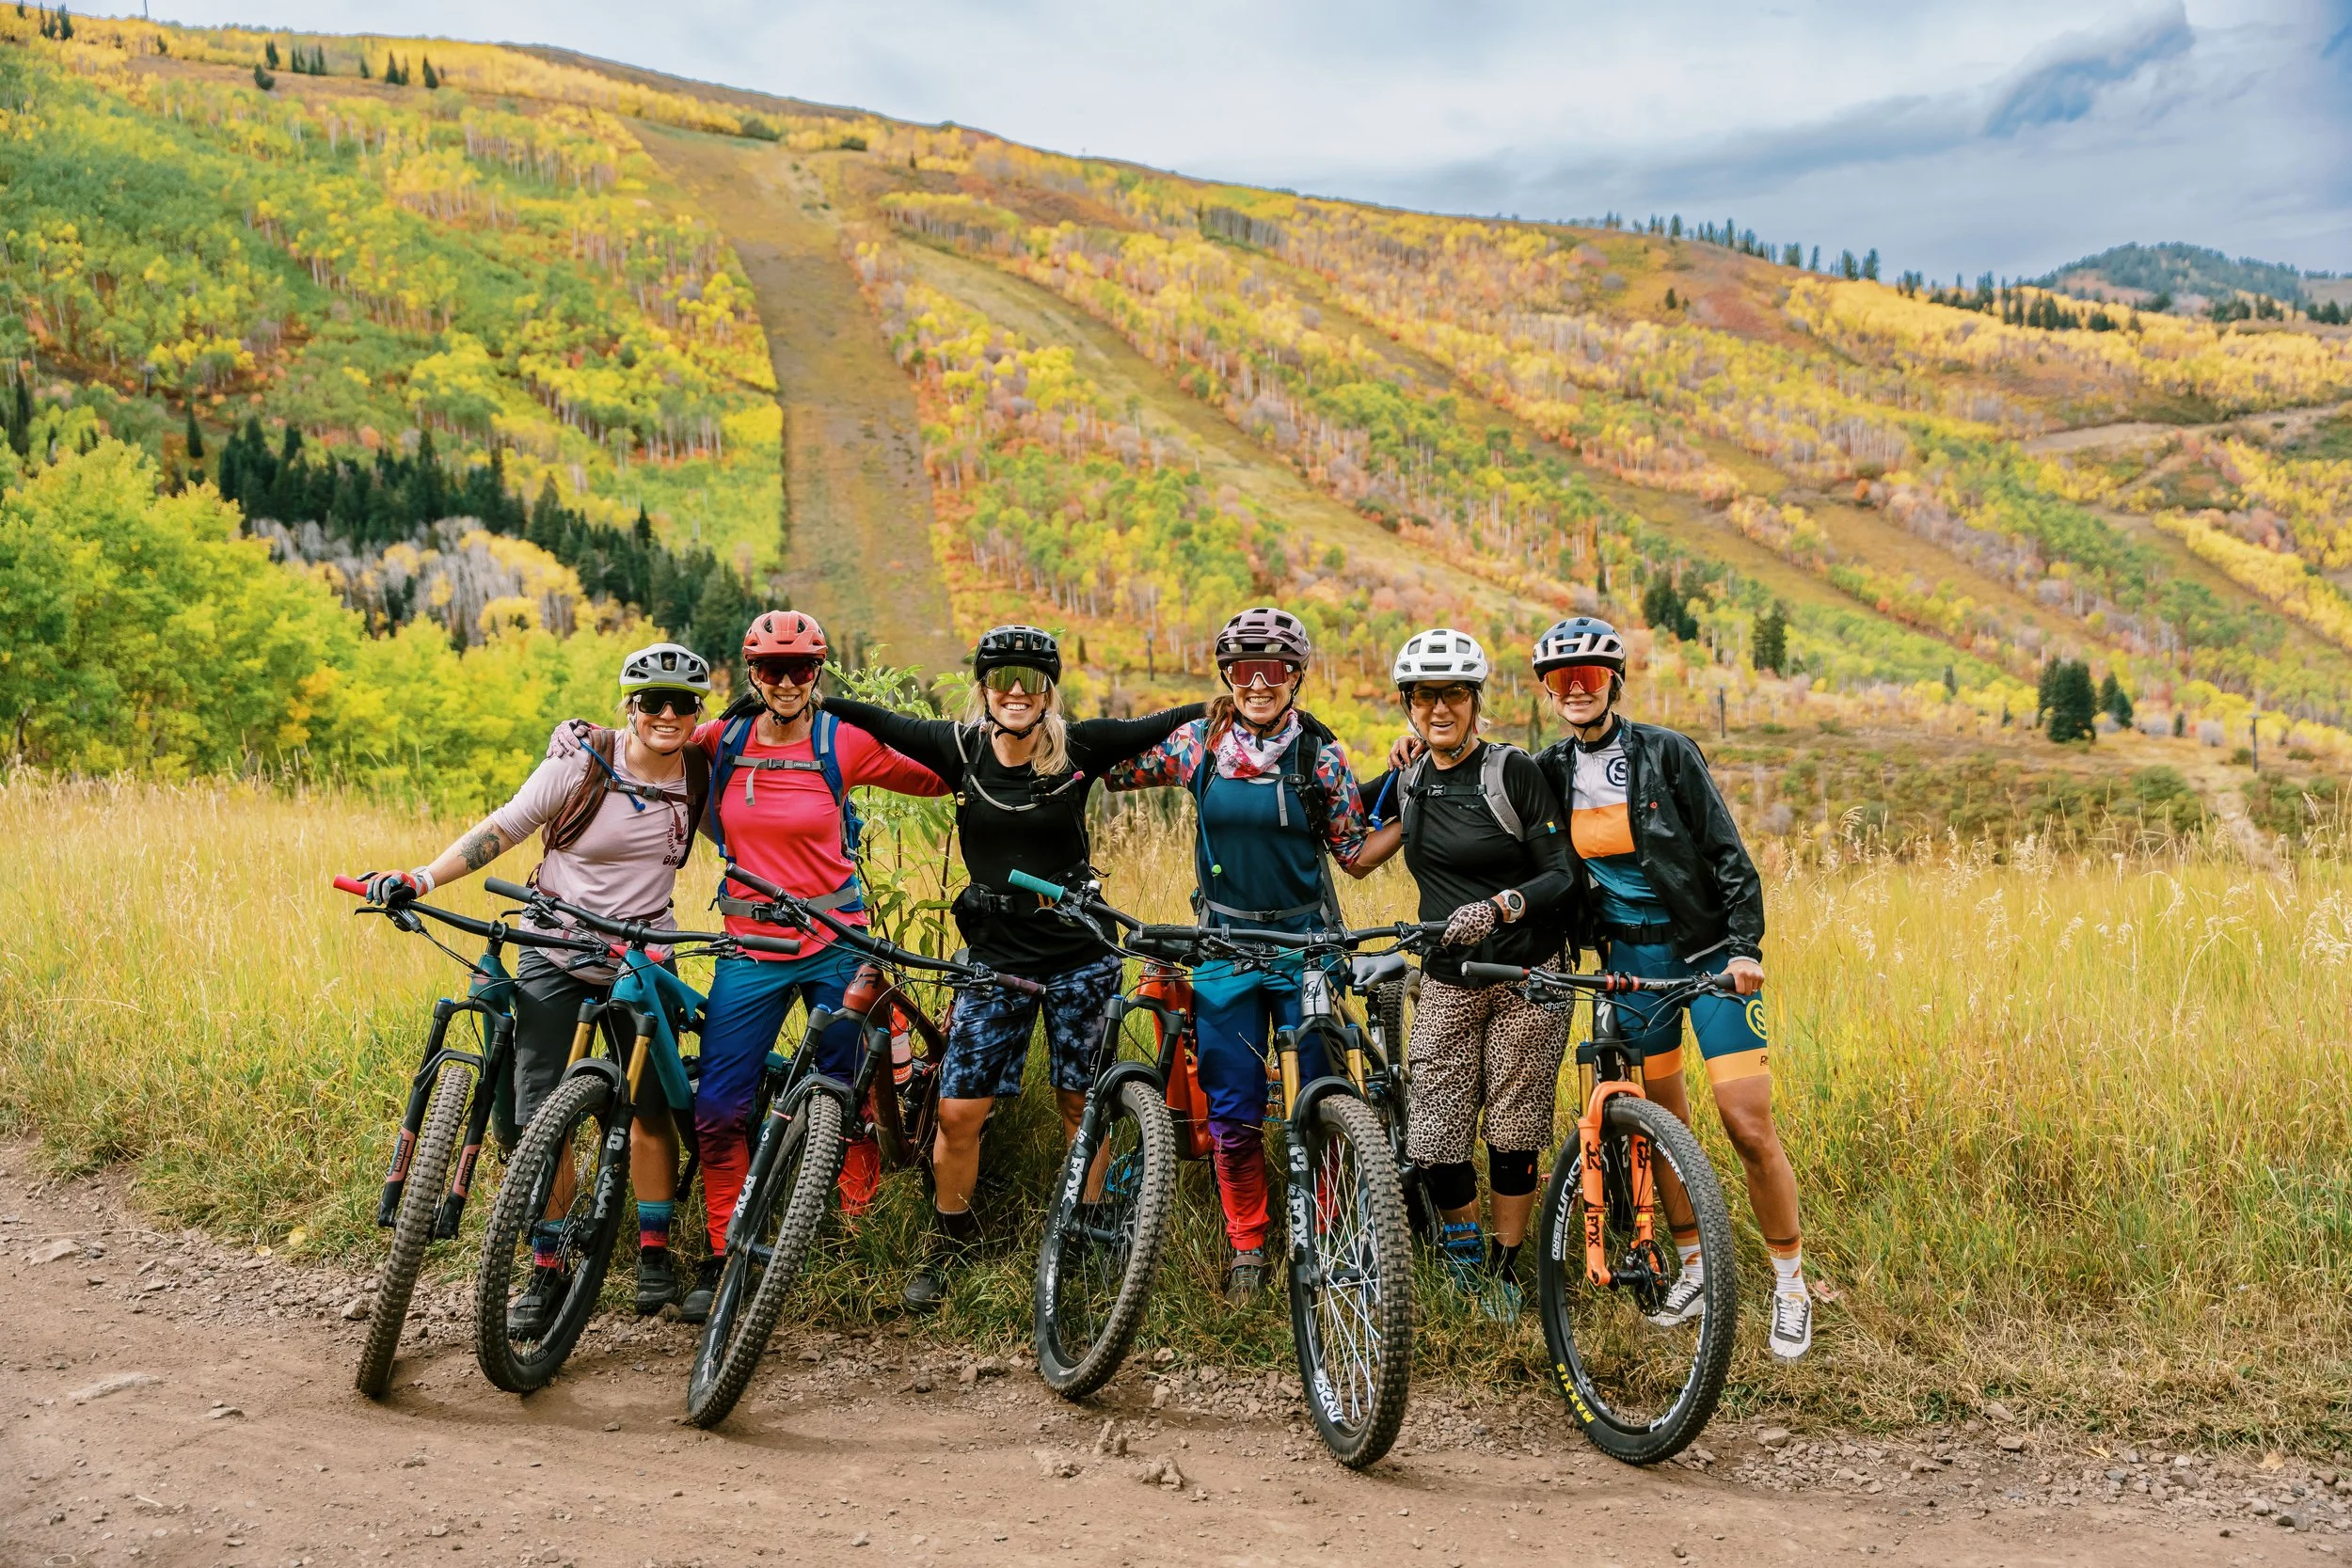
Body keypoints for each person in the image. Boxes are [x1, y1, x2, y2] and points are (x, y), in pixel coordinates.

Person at [550, 610, 947, 1323]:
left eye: (800, 668)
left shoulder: (842, 741)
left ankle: (852, 1233)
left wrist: (996, 758)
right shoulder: (721, 738)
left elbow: (934, 776)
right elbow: (647, 740)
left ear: (817, 672)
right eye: (771, 669)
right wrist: (580, 739)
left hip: (835, 939)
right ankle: (723, 1247)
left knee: (848, 1087)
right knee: (719, 1108)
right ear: (752, 675)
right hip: (751, 947)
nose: (787, 681)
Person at [819, 626, 1203, 1310]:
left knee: (1080, 1104)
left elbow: (1160, 723)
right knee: (960, 1110)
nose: (1017, 693)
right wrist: (788, 698)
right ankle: (953, 1239)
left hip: (1080, 958)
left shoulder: (1078, 749)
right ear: (984, 690)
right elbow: (879, 718)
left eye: (1031, 680)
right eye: (1003, 680)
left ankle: (1086, 1235)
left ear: (1049, 690)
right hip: (996, 962)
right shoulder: (959, 748)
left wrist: (1226, 702)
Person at [357, 641, 714, 1338]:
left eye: (683, 702)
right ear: (629, 706)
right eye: (651, 701)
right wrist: (421, 878)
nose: (667, 714)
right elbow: (506, 824)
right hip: (553, 945)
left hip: (644, 952)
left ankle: (653, 1253)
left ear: (699, 711)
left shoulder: (702, 772)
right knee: (541, 1110)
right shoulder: (581, 762)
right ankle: (546, 1264)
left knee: (650, 1106)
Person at [1525, 615, 1810, 1359]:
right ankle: (1693, 1269)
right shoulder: (1550, 769)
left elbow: (1728, 856)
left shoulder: (1666, 753)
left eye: (1590, 675)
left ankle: (1790, 1284)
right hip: (1631, 967)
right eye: (1562, 678)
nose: (1577, 688)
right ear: (1549, 691)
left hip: (1709, 958)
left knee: (1746, 1121)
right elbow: (1480, 781)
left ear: (1615, 681)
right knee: (1660, 1130)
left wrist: (1745, 947)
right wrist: (1401, 760)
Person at [1102, 608, 1397, 1302]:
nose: (1258, 683)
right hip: (1224, 950)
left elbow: (1353, 852)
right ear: (1226, 675)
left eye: (1274, 670)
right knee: (1232, 1111)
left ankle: (1325, 1237)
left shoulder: (1319, 755)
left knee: (1321, 1101)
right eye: (1243, 669)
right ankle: (1248, 1247)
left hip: (1308, 948)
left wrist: (1414, 799)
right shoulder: (1196, 745)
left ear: (1295, 676)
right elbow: (1111, 771)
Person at [1362, 627, 1578, 1317]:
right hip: (1450, 977)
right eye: (1425, 697)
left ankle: (1505, 1265)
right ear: (1408, 704)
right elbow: (1340, 823)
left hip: (1527, 974)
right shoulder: (1410, 776)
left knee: (1514, 1133)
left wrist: (1501, 905)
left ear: (1475, 700)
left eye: (1453, 693)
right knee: (1434, 1134)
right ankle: (1461, 1256)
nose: (1440, 708)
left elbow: (1561, 873)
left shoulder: (1511, 771)